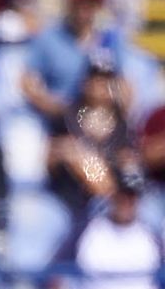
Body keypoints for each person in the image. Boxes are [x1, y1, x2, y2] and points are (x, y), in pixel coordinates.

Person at [22, 0, 120, 125]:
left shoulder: (110, 39)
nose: (85, 6)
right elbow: (28, 82)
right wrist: (63, 111)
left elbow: (124, 86)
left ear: (100, 4)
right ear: (69, 1)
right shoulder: (49, 37)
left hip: (97, 119)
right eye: (79, 0)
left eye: (91, 1)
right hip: (51, 119)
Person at [45, 53, 133, 218]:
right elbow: (48, 163)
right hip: (66, 197)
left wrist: (85, 160)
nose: (101, 86)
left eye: (107, 81)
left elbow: (127, 169)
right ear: (86, 82)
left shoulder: (122, 125)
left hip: (109, 203)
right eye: (97, 80)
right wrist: (63, 153)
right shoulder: (67, 117)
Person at [71, 165, 160, 289]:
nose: (125, 202)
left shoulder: (151, 235)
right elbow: (57, 271)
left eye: (131, 197)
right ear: (112, 197)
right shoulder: (87, 230)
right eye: (121, 196)